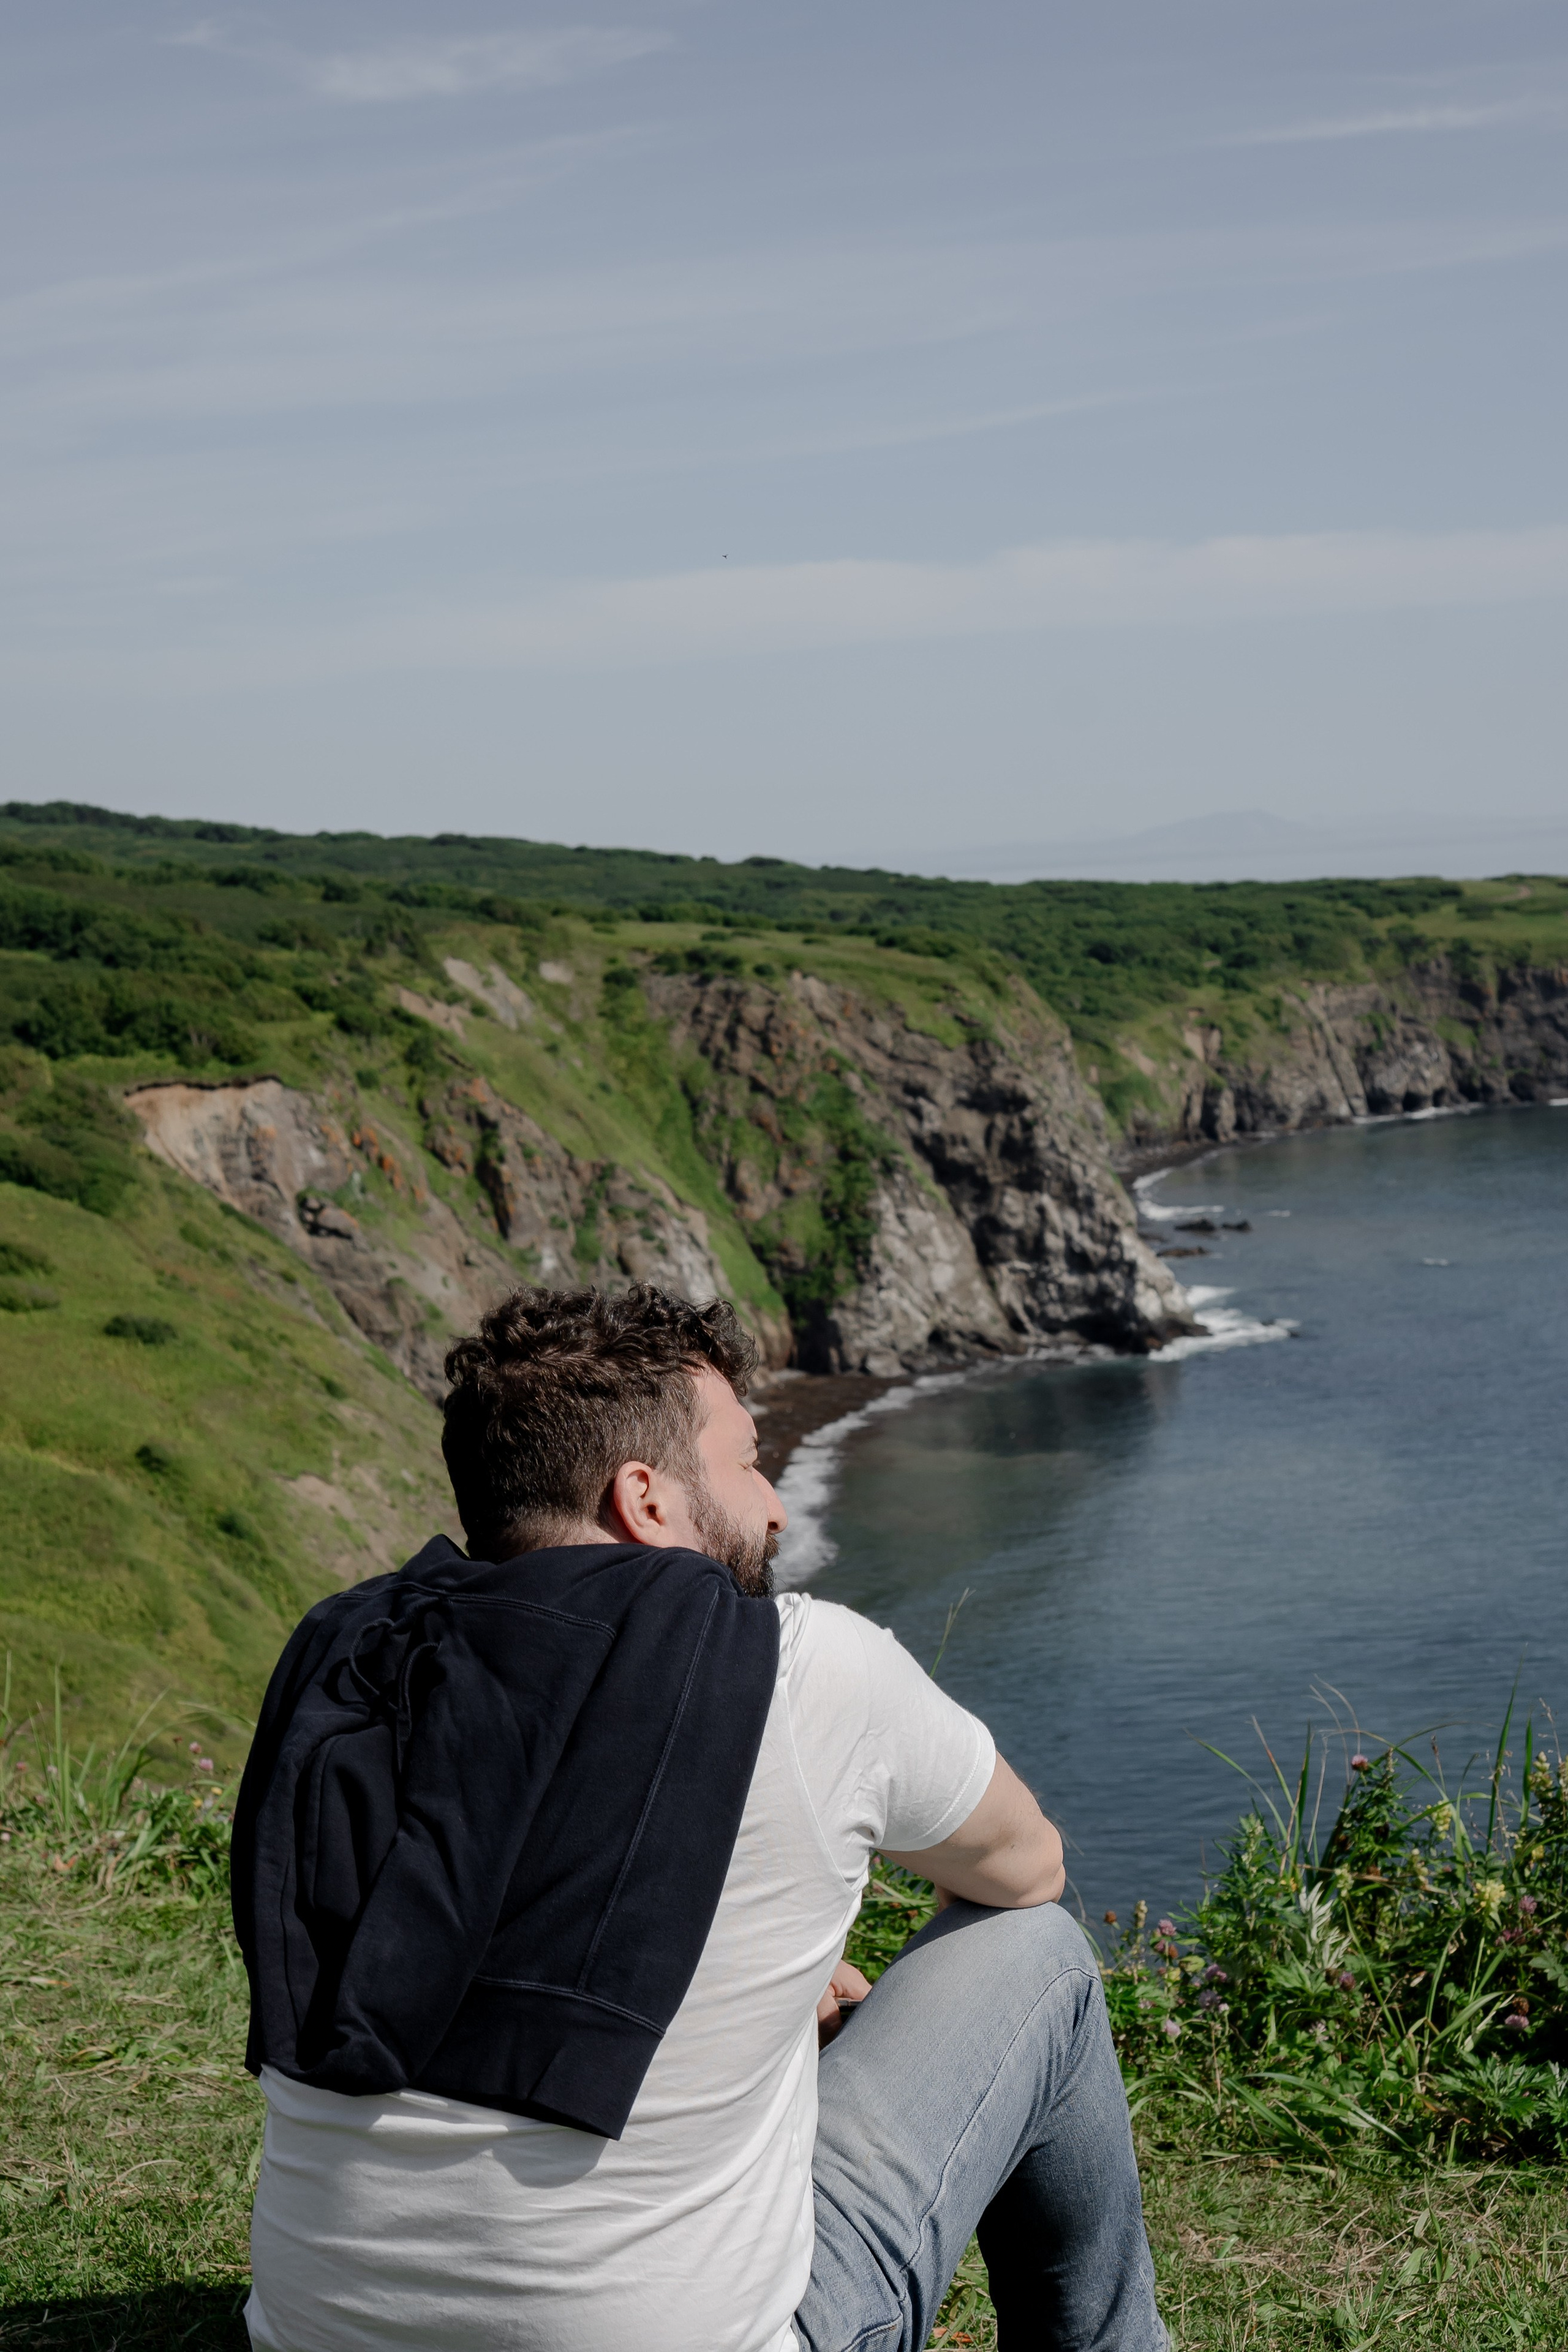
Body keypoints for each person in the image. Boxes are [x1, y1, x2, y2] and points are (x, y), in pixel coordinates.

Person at [240, 1284, 1166, 2352]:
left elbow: (457, 1937)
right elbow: (1027, 1866)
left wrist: (753, 1970)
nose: (774, 1503)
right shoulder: (802, 1666)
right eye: (745, 1459)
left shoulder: (348, 1667)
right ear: (646, 1497)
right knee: (1036, 1952)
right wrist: (786, 1958)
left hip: (317, 2337)